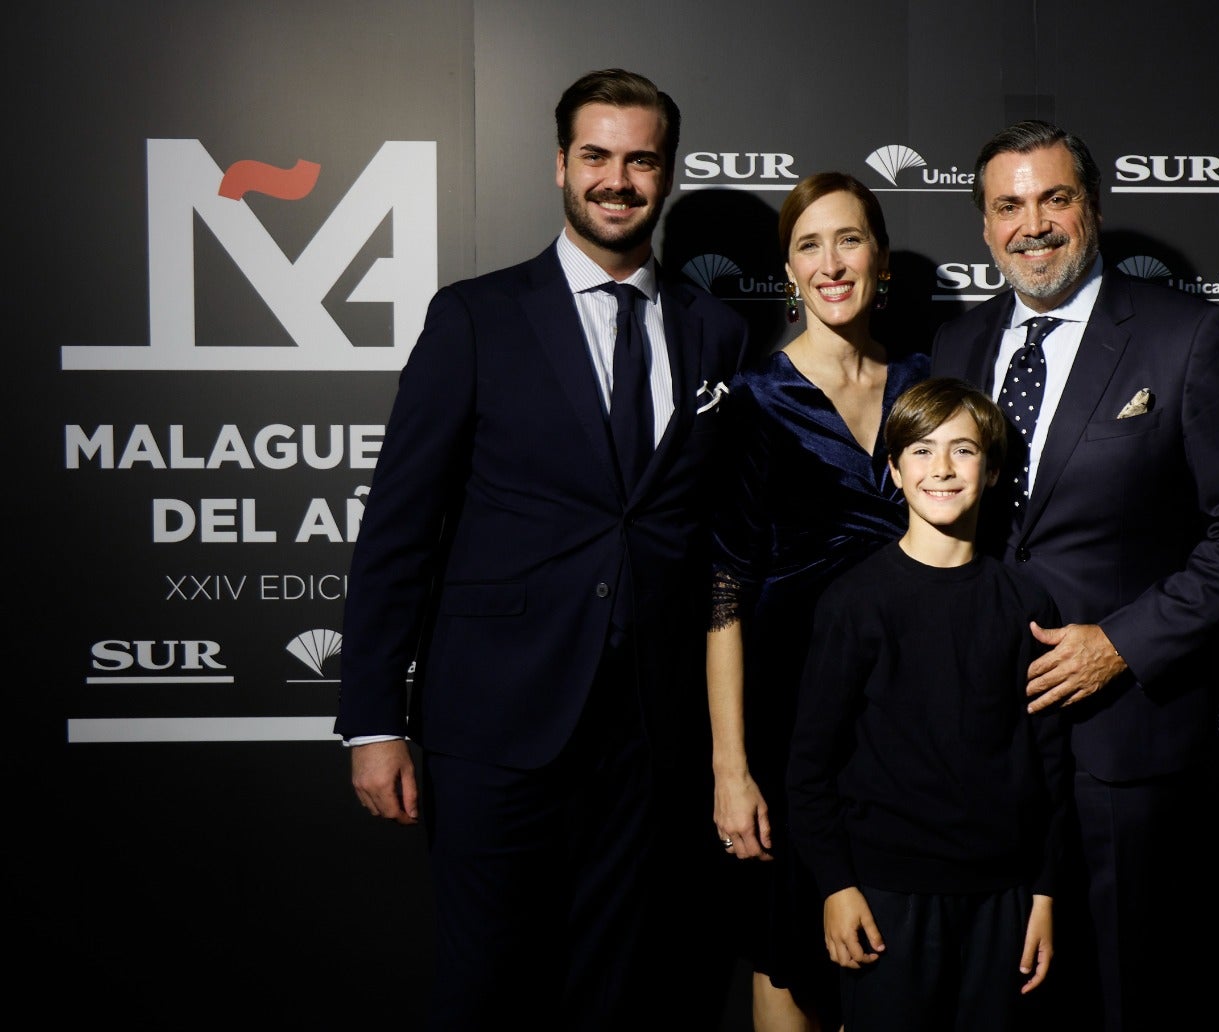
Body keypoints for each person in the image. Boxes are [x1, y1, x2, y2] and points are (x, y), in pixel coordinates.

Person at [334, 68, 747, 1030]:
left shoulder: (715, 331)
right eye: (595, 156)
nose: (618, 179)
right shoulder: (475, 316)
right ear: (560, 165)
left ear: (668, 174)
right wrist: (371, 717)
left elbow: (709, 529)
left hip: (649, 729)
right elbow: (399, 525)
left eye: (641, 159)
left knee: (625, 987)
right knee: (488, 986)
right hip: (495, 719)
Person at [930, 120, 1219, 1031]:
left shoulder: (1187, 337)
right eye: (1008, 206)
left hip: (1117, 744)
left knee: (1125, 995)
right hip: (978, 747)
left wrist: (1121, 645)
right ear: (983, 226)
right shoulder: (957, 348)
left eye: (1055, 199)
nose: (1034, 225)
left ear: (1091, 207)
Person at [706, 171, 929, 1031]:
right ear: (789, 272)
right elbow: (723, 590)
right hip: (791, 716)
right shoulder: (755, 399)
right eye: (809, 245)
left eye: (849, 239)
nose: (831, 263)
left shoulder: (927, 383)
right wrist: (732, 770)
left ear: (879, 259)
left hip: (906, 715)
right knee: (789, 950)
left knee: (892, 954)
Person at [786, 377, 1071, 1032]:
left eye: (963, 450)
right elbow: (809, 766)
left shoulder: (1027, 605)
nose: (941, 468)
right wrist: (835, 885)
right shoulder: (854, 602)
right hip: (886, 897)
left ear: (993, 470)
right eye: (921, 450)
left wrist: (1047, 892)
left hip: (1003, 897)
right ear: (893, 468)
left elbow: (1053, 767)